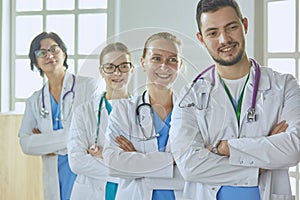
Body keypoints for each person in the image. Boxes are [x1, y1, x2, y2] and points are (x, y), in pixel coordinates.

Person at [169, 0, 300, 200]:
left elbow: (294, 149)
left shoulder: (284, 86)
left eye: (231, 27)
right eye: (212, 33)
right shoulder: (189, 97)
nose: (224, 39)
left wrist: (225, 148)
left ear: (244, 25)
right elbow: (189, 166)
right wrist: (260, 164)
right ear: (201, 38)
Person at [103, 32, 184, 200]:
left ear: (180, 65)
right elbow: (114, 165)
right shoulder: (123, 110)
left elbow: (197, 167)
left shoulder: (194, 112)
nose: (164, 65)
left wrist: (137, 162)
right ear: (143, 63)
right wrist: (174, 161)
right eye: (156, 58)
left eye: (172, 59)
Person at [18, 32, 98, 200]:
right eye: (42, 52)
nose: (49, 55)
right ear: (36, 62)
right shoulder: (34, 100)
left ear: (64, 53)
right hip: (55, 174)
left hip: (85, 171)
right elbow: (26, 144)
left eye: (54, 49)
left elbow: (91, 134)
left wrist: (45, 140)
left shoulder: (87, 86)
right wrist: (72, 139)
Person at [68, 42, 134, 200]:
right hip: (90, 192)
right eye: (110, 67)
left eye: (123, 66)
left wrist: (103, 154)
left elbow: (146, 160)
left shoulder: (144, 112)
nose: (117, 73)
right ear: (101, 71)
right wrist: (127, 168)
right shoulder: (84, 112)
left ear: (132, 69)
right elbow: (76, 161)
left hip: (129, 193)